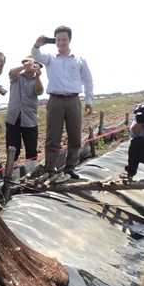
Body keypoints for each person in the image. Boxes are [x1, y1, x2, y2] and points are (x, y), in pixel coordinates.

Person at [32, 25, 94, 178]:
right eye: (58, 39)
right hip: (55, 101)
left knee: (75, 136)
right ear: (55, 41)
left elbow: (88, 80)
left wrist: (89, 100)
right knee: (53, 137)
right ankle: (50, 168)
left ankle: (70, 167)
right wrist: (37, 44)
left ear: (70, 40)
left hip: (74, 100)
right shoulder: (50, 58)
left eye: (64, 39)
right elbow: (36, 56)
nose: (61, 42)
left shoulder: (79, 59)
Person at [5, 55, 44, 161]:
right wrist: (23, 67)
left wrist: (37, 77)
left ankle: (30, 173)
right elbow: (11, 72)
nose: (32, 67)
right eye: (30, 64)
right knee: (12, 148)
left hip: (30, 119)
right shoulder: (17, 76)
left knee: (31, 149)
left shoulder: (37, 80)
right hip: (13, 118)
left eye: (35, 65)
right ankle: (11, 173)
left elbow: (39, 91)